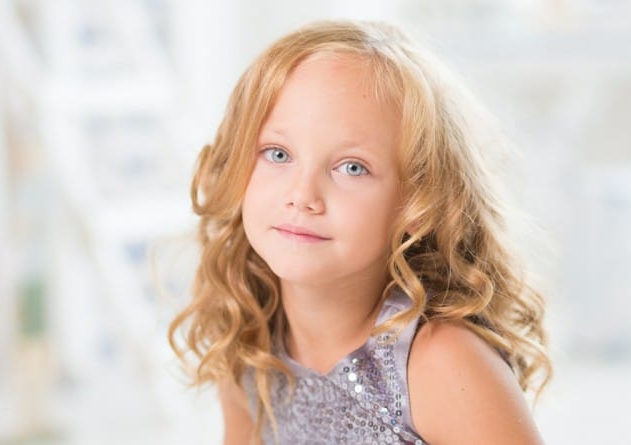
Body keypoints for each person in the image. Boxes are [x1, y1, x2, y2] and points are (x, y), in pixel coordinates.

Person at [168, 20, 552, 445]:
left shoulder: (442, 363)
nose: (302, 195)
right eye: (278, 154)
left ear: (418, 206)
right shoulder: (249, 347)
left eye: (352, 167)